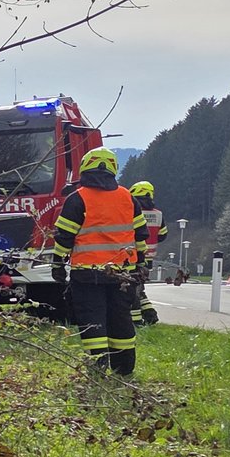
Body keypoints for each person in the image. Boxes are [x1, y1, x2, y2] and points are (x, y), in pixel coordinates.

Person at [51, 148, 147, 376]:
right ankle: (124, 368)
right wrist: (141, 264)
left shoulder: (77, 199)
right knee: (120, 318)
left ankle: (97, 368)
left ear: (85, 167)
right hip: (123, 274)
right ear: (113, 169)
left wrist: (58, 264)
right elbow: (140, 236)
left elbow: (64, 237)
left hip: (87, 273)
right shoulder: (128, 198)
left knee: (91, 318)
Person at [128, 180, 162, 326]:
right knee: (139, 288)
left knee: (133, 289)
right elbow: (163, 234)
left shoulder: (133, 211)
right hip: (149, 259)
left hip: (134, 256)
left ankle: (136, 321)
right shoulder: (158, 214)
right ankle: (150, 315)